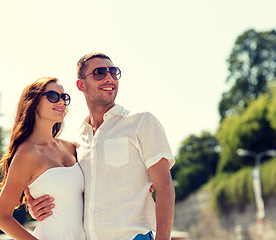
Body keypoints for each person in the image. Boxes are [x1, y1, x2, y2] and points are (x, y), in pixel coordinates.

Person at [25, 53, 175, 240]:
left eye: (114, 72)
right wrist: (36, 207)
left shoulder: (141, 121)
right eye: (99, 73)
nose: (109, 78)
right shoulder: (76, 141)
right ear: (81, 84)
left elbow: (165, 185)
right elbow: (71, 189)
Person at [0, 77, 86, 240]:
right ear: (33, 103)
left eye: (64, 98)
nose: (62, 102)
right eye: (53, 96)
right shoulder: (27, 154)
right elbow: (1, 217)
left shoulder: (72, 147)